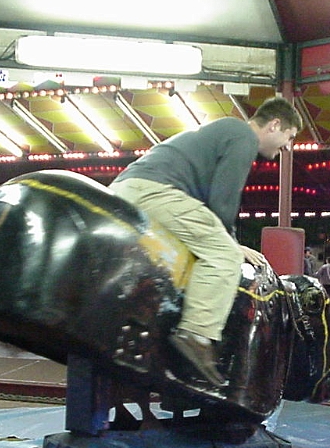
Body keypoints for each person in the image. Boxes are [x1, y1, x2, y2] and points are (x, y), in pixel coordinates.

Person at [109, 96, 301, 389]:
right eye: (289, 136)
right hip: (153, 191)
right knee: (223, 256)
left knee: (204, 254)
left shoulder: (221, 133)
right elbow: (223, 202)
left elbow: (210, 210)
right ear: (274, 125)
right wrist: (232, 246)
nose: (288, 146)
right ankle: (196, 334)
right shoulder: (243, 135)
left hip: (128, 189)